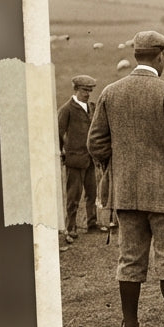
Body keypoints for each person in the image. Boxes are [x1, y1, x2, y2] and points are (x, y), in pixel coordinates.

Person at [87, 31, 164, 327]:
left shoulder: (111, 92)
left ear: (137, 55)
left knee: (130, 259)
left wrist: (119, 168)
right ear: (160, 56)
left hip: (126, 195)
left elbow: (95, 143)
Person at [58, 74, 101, 246]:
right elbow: (58, 133)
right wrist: (63, 153)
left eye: (90, 90)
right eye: (84, 90)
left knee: (92, 193)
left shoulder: (92, 107)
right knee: (73, 195)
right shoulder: (66, 109)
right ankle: (71, 227)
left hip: (90, 158)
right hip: (74, 159)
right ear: (76, 89)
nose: (88, 93)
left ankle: (92, 223)